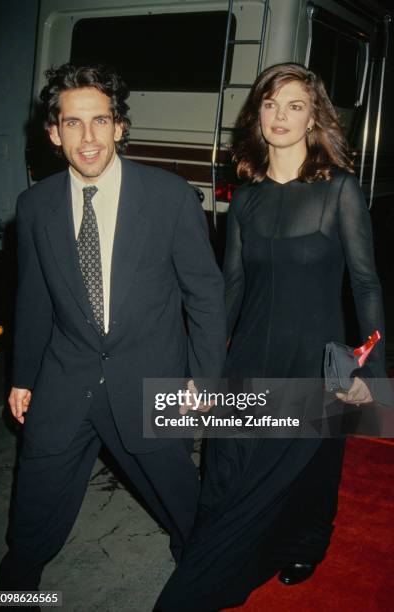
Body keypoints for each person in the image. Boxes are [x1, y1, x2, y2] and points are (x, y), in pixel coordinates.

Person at [155, 62, 389, 611]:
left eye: (295, 106)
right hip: (251, 353)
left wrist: (372, 373)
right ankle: (221, 548)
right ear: (257, 116)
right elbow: (228, 290)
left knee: (309, 463)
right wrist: (205, 368)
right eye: (270, 104)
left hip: (313, 357)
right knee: (227, 464)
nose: (280, 115)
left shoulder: (340, 192)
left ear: (314, 119)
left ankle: (305, 544)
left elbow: (367, 285)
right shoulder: (247, 197)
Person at [0, 63, 227, 595]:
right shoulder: (34, 207)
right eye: (73, 124)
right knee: (32, 509)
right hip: (63, 379)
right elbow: (33, 299)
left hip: (151, 381)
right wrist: (22, 375)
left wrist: (204, 377)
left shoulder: (170, 198)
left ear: (120, 125)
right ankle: (15, 593)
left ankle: (200, 580)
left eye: (100, 121)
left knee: (182, 506)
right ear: (53, 133)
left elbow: (205, 295)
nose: (89, 138)